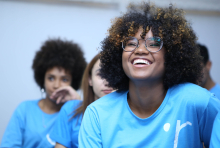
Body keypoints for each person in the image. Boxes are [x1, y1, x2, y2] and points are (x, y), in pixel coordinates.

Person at [78, 2, 220, 148]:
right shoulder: (97, 114)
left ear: (171, 54)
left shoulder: (198, 102)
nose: (140, 50)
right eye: (131, 43)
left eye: (153, 44)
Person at [1, 39, 87, 148]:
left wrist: (77, 102)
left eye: (64, 79)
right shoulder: (24, 109)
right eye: (51, 78)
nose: (56, 85)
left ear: (73, 82)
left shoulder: (74, 114)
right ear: (43, 79)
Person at [50, 54, 113, 148]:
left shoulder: (129, 114)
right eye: (100, 74)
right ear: (90, 80)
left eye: (114, 74)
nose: (107, 82)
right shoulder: (70, 109)